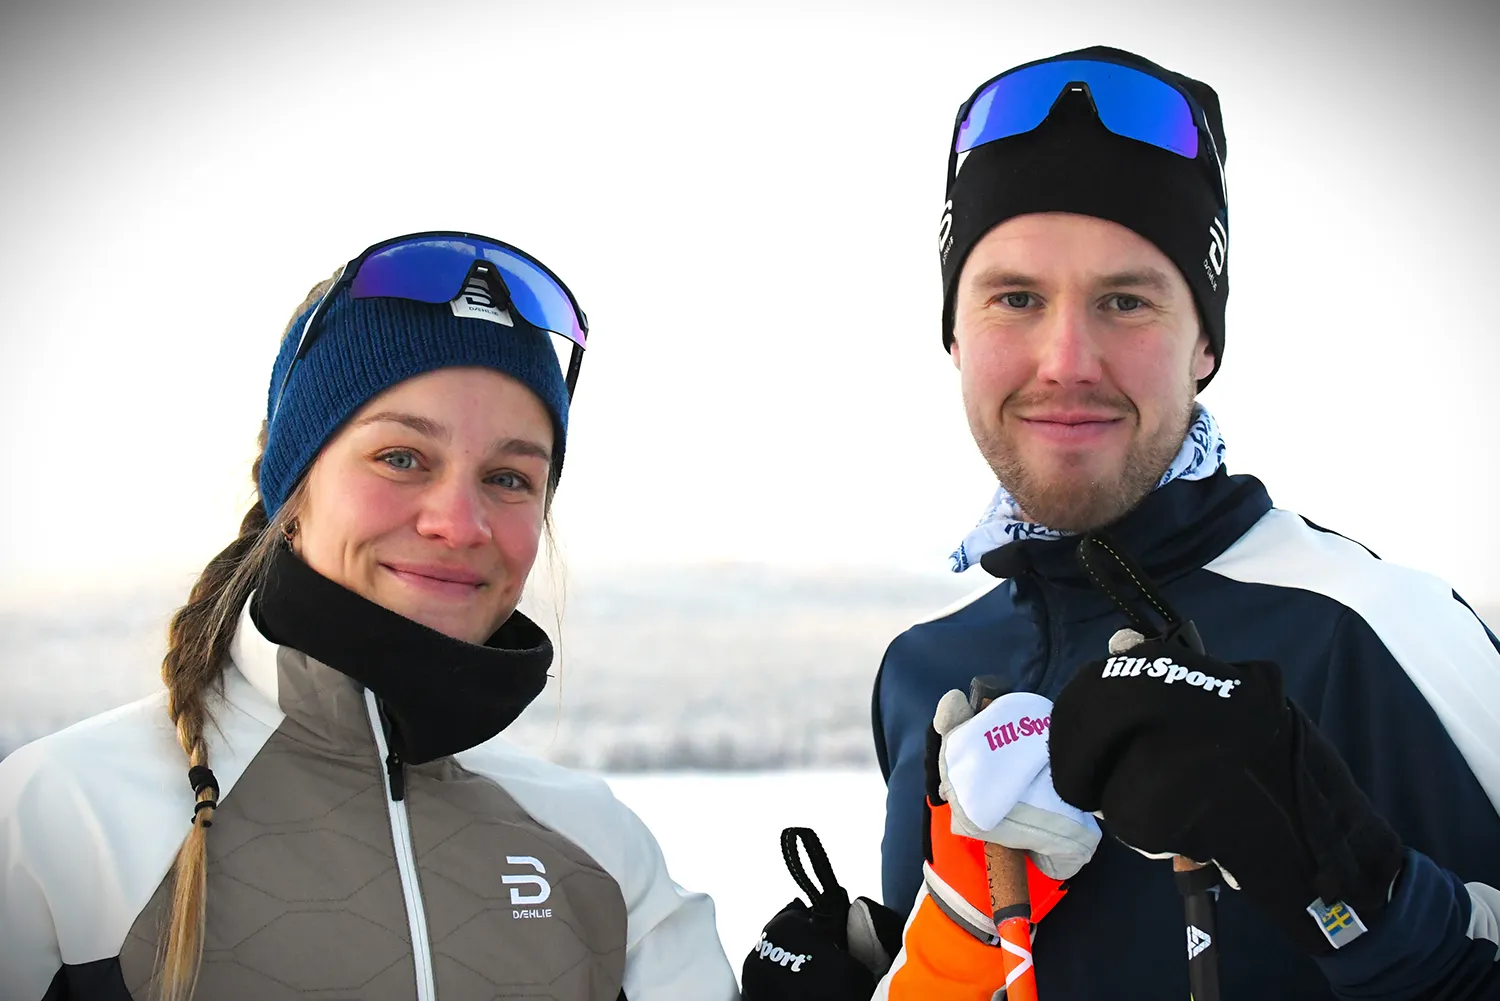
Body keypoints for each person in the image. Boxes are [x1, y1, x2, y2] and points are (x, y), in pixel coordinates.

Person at [865, 46, 1500, 999]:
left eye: (1126, 300)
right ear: (954, 332)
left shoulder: (1373, 630)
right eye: (1015, 299)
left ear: (1205, 342)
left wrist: (1368, 894)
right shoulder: (923, 674)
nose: (1065, 359)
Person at [0, 232, 738, 1001]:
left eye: (510, 476)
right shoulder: (58, 823)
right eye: (402, 457)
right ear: (295, 495)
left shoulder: (599, 851)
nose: (460, 522)